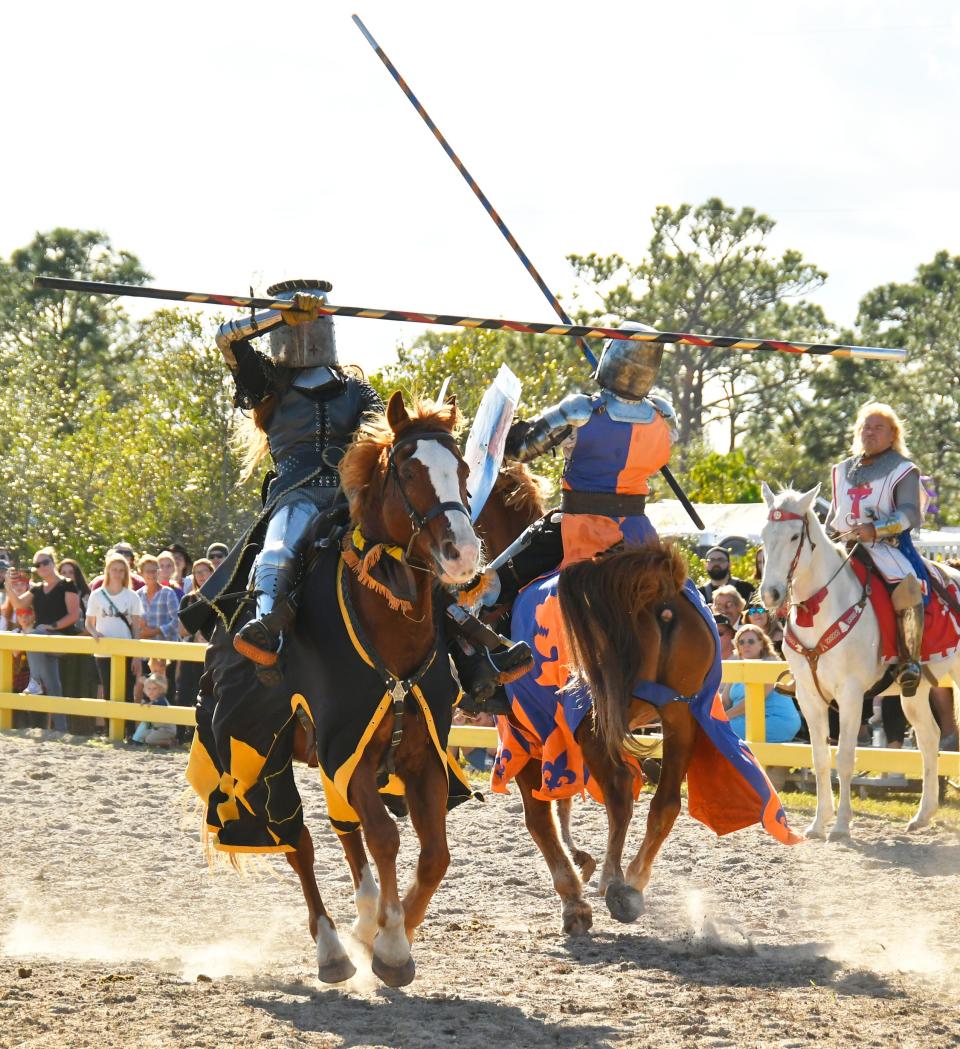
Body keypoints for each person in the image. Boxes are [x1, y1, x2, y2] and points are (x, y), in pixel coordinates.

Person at [187, 278, 527, 697]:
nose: (307, 331)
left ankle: (471, 653)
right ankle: (267, 630)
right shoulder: (268, 385)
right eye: (299, 323)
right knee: (277, 550)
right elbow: (227, 339)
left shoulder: (354, 388)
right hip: (295, 495)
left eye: (314, 320)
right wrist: (280, 314)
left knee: (416, 552)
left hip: (351, 500)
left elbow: (388, 440)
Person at [826, 402, 926, 696]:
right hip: (843, 545)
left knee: (907, 588)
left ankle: (909, 661)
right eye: (865, 427)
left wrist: (877, 529)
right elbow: (834, 516)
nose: (870, 432)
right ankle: (805, 662)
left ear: (893, 434)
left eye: (878, 427)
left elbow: (910, 513)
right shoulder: (841, 470)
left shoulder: (903, 470)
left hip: (885, 547)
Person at [3, 547, 81, 730]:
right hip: (41, 641)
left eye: (46, 562)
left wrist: (51, 627)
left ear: (53, 562)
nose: (42, 566)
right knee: (54, 686)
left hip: (61, 638)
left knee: (34, 635)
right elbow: (19, 605)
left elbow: (73, 616)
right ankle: (62, 730)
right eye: (38, 564)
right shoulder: (37, 589)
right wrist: (7, 585)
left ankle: (35, 680)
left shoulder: (67, 584)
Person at [722, 625, 801, 744]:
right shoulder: (737, 667)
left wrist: (723, 718)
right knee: (710, 727)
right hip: (747, 719)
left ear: (761, 644)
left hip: (776, 720)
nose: (746, 645)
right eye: (741, 642)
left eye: (751, 641)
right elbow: (725, 701)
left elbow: (753, 701)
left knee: (718, 730)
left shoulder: (771, 664)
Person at [85, 551, 144, 701]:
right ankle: (108, 725)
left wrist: (137, 656)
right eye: (114, 569)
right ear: (108, 571)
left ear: (126, 572)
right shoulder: (97, 595)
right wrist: (94, 633)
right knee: (108, 692)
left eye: (121, 570)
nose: (117, 573)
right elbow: (89, 622)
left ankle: (129, 725)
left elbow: (136, 628)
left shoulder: (132, 596)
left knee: (127, 693)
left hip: (126, 649)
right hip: (104, 650)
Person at [138, 554, 180, 642]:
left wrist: (156, 631)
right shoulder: (138, 595)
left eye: (154, 571)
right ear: (141, 573)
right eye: (148, 571)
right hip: (144, 650)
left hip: (167, 649)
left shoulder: (168, 593)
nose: (152, 574)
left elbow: (177, 620)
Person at [131, 673, 177, 747]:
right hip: (157, 729)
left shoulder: (161, 700)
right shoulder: (151, 701)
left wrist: (150, 705)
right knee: (143, 735)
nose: (151, 691)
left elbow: (157, 705)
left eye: (154, 688)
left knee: (149, 739)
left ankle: (169, 742)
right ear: (145, 690)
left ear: (161, 690)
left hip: (167, 729)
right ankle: (160, 741)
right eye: (149, 689)